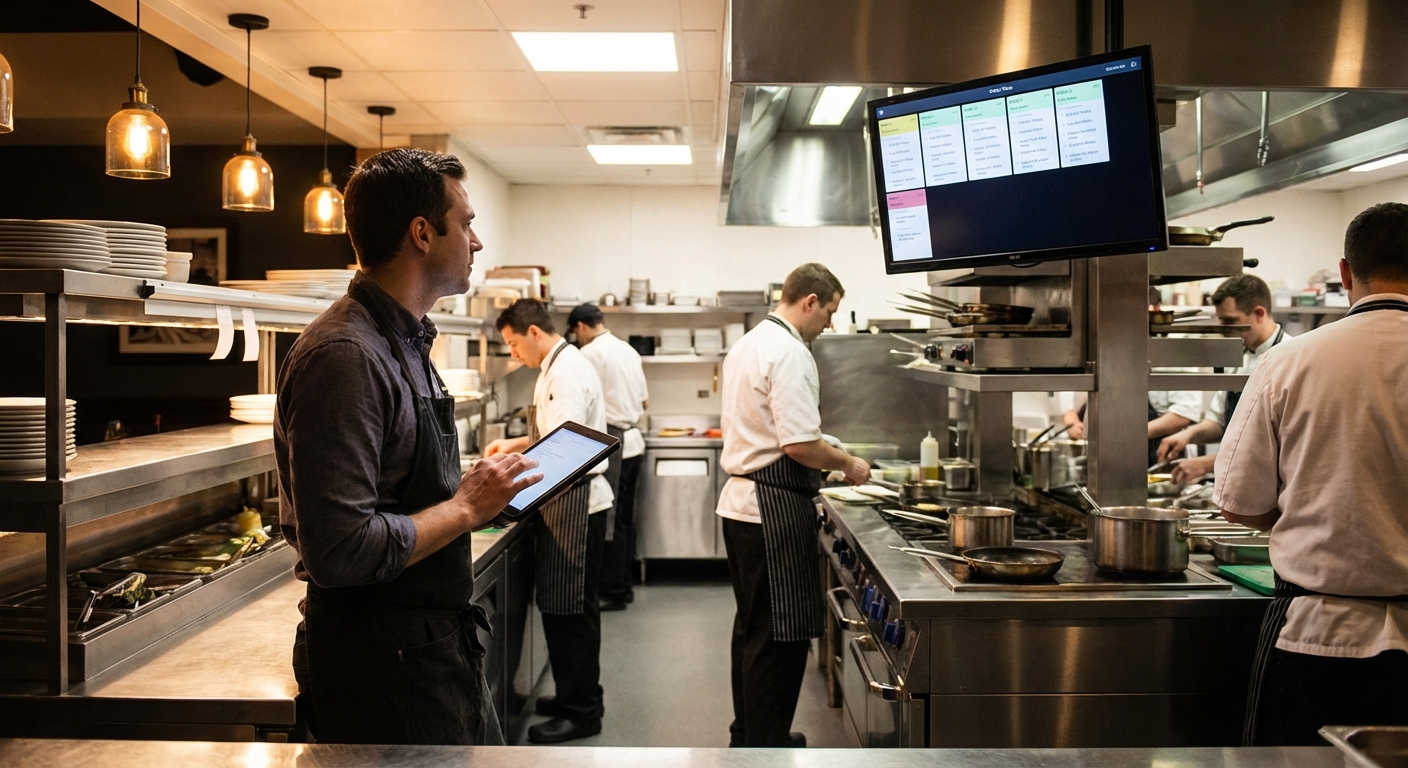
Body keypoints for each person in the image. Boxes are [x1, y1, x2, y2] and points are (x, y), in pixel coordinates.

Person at [276, 148, 542, 745]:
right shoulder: (344, 356)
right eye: (467, 223)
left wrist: (474, 481)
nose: (476, 242)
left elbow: (400, 481)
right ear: (422, 233)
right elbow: (340, 550)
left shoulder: (406, 342)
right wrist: (468, 507)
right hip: (381, 666)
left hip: (429, 648)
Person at [1214, 202, 1408, 746]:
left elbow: (1236, 502)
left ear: (1345, 273)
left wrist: (1315, 509)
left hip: (1319, 638)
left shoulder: (1290, 362)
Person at [716, 263, 871, 748]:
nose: (829, 325)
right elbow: (799, 446)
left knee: (753, 631)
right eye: (829, 313)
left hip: (743, 508)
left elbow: (775, 427)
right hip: (772, 509)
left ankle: (750, 735)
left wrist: (824, 441)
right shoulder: (790, 351)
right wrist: (848, 462)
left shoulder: (749, 342)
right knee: (780, 638)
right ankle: (765, 747)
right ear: (809, 301)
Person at [485, 299, 614, 744]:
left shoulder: (565, 372)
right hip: (567, 501)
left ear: (534, 332)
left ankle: (582, 712)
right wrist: (515, 444)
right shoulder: (557, 367)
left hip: (574, 503)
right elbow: (556, 435)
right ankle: (571, 696)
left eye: (513, 344)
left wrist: (506, 494)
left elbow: (567, 454)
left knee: (570, 611)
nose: (513, 354)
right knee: (563, 608)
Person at [1156, 274, 1290, 484]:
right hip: (1239, 482)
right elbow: (1220, 422)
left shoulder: (1292, 359)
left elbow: (1281, 445)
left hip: (1276, 487)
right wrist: (1187, 436)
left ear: (1258, 313)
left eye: (1230, 322)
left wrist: (1208, 463)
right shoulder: (1236, 357)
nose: (1224, 331)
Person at [568, 303, 649, 612]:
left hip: (610, 440)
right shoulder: (628, 350)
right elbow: (644, 399)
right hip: (634, 442)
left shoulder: (588, 355)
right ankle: (623, 586)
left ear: (581, 327)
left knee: (610, 521)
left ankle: (613, 590)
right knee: (625, 519)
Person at [1059, 389, 1201, 465]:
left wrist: (1126, 437)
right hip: (1105, 460)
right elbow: (1068, 378)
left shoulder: (1169, 351)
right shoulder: (1103, 346)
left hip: (1156, 465)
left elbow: (1183, 414)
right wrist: (1070, 415)